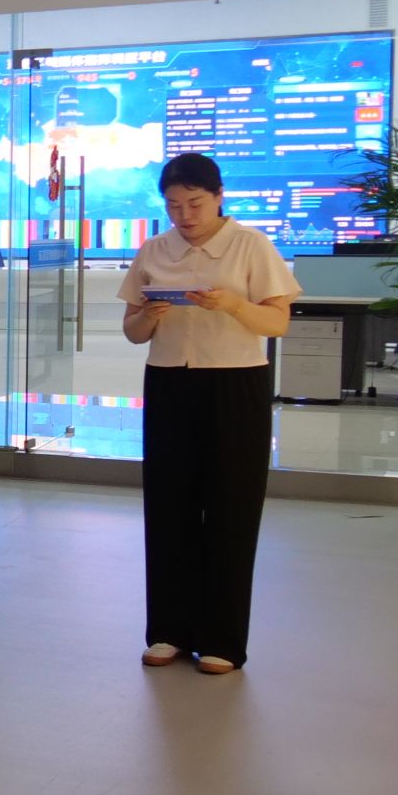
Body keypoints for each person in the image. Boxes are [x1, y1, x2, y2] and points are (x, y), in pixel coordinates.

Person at [119, 153, 299, 676]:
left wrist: (233, 305)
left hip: (234, 382)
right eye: (174, 205)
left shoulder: (250, 244)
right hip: (170, 381)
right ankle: (168, 630)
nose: (186, 215)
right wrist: (149, 317)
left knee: (231, 506)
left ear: (219, 197)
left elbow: (278, 322)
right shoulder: (155, 249)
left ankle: (222, 638)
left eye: (195, 203)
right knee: (168, 505)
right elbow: (132, 331)